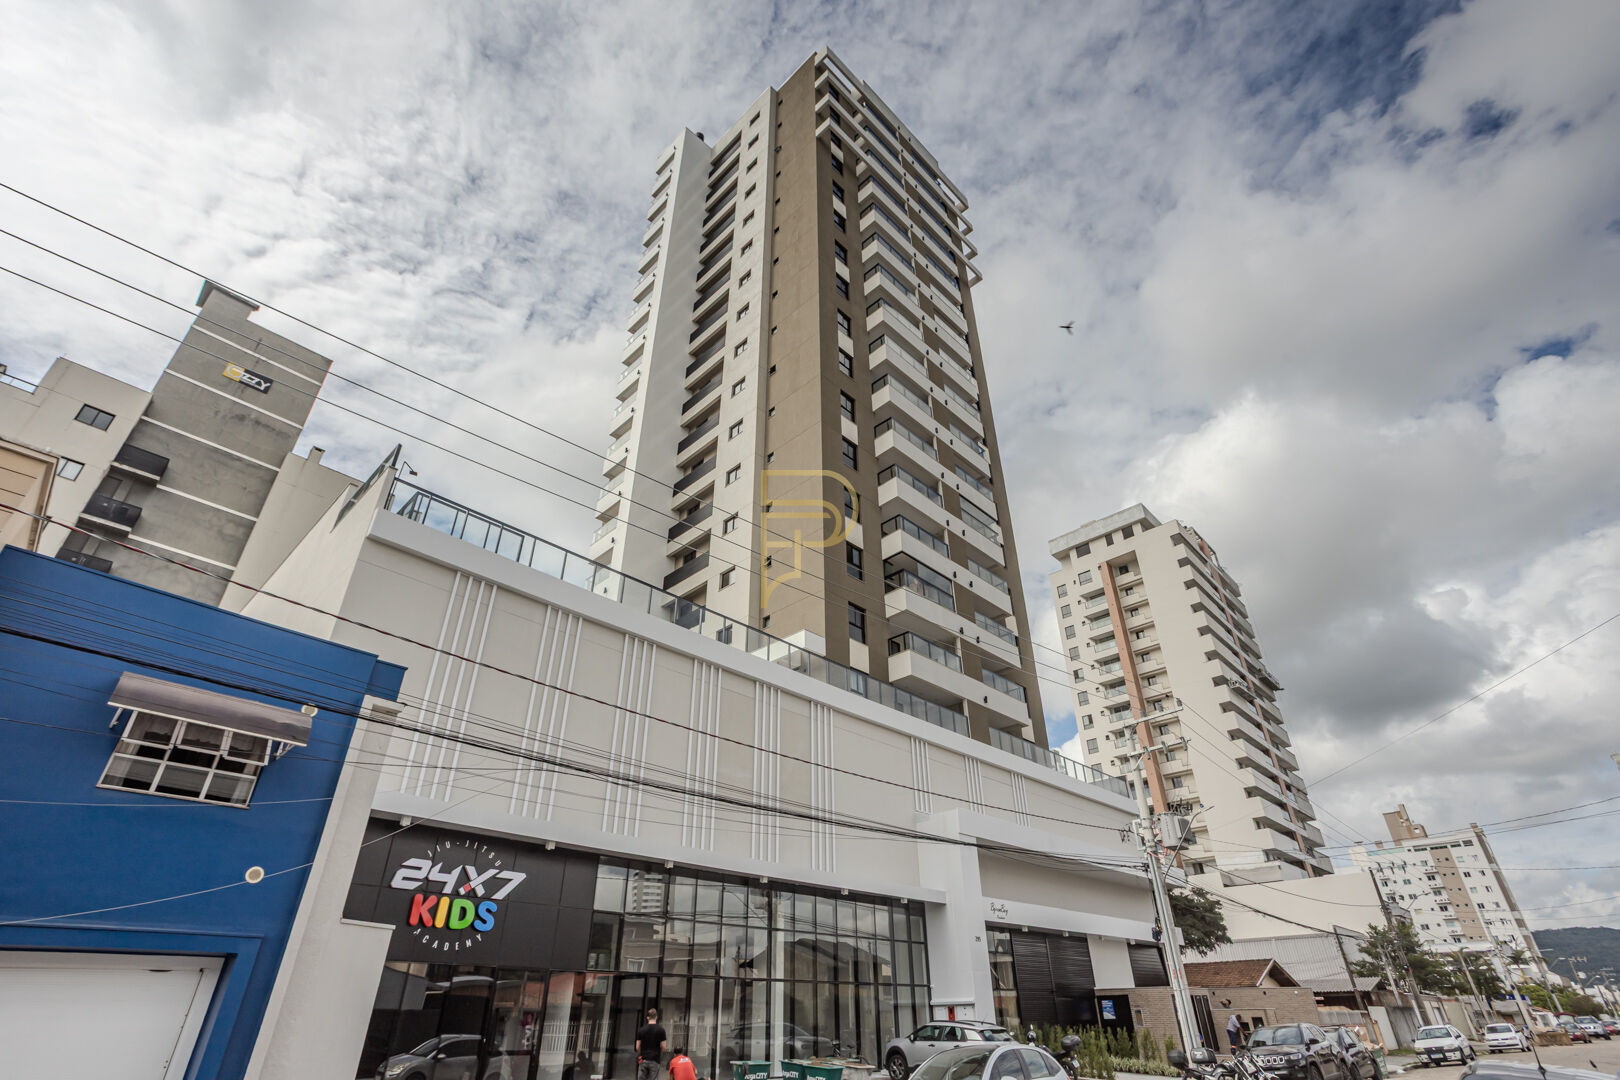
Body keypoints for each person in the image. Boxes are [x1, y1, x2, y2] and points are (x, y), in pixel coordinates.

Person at [636, 1008, 668, 1080]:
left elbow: (637, 1047)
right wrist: (659, 1056)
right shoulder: (661, 1030)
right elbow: (663, 1047)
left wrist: (640, 1056)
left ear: (647, 1017)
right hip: (655, 1059)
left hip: (643, 1059)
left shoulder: (641, 1030)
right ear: (656, 1017)